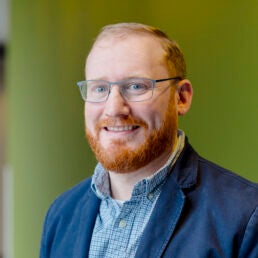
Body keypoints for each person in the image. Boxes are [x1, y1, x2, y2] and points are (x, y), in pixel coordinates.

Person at [40, 22, 258, 258]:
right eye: (99, 88)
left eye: (136, 86)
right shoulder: (61, 214)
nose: (114, 109)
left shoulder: (245, 216)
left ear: (181, 98)